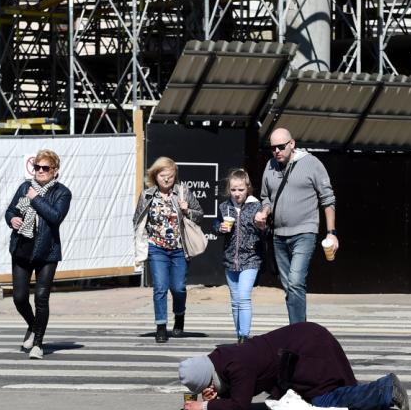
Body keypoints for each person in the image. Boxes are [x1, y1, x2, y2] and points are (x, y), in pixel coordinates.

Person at [179, 322, 409, 410]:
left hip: (309, 350)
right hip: (306, 343)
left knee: (323, 400)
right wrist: (220, 393)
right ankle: (381, 391)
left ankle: (386, 390)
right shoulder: (223, 357)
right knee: (333, 391)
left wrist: (206, 406)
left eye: (208, 384)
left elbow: (241, 403)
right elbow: (239, 387)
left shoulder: (238, 365)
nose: (210, 387)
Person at [254, 127, 337, 324]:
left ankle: (297, 332)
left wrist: (331, 233)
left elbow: (328, 199)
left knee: (296, 281)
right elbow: (266, 198)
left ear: (292, 144)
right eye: (273, 148)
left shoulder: (312, 163)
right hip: (278, 235)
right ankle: (300, 329)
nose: (277, 151)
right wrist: (264, 212)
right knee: (289, 286)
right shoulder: (270, 166)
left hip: (304, 232)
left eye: (281, 147)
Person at [5, 149, 72, 360]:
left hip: (47, 251)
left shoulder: (62, 192)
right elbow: (10, 210)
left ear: (55, 171)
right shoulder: (25, 187)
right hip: (22, 249)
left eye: (45, 168)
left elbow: (55, 216)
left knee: (42, 298)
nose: (40, 171)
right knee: (19, 298)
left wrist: (35, 199)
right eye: (37, 168)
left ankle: (38, 343)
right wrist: (12, 220)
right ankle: (33, 326)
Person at [133, 156, 203, 343]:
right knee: (160, 288)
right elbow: (137, 219)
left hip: (180, 249)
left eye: (170, 176)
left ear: (175, 177)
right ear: (155, 176)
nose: (166, 179)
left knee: (178, 288)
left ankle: (179, 315)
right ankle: (161, 326)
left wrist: (187, 210)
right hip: (157, 248)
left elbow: (199, 215)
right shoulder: (147, 195)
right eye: (162, 175)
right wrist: (144, 240)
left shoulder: (183, 192)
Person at [214, 168, 264, 343]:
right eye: (233, 190)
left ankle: (244, 336)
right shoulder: (224, 206)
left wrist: (262, 225)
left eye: (240, 190)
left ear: (247, 188)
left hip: (250, 258)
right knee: (235, 301)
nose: (236, 194)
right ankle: (239, 337)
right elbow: (216, 224)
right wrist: (220, 228)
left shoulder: (257, 206)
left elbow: (266, 230)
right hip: (230, 259)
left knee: (243, 296)